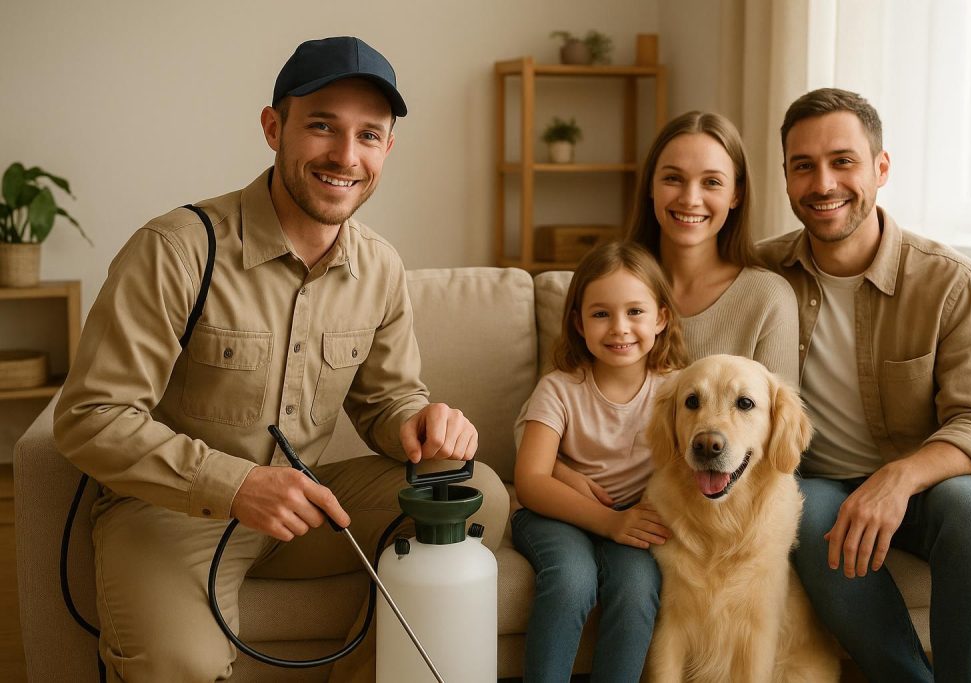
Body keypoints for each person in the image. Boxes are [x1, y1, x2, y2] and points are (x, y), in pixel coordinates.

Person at [52, 36, 508, 682]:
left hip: (304, 512)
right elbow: (90, 417)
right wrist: (234, 485)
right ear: (274, 128)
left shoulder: (379, 266)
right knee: (181, 664)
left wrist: (420, 421)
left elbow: (387, 401)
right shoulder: (176, 250)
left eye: (368, 135)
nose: (345, 156)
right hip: (171, 514)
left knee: (478, 494)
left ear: (388, 148)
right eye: (322, 126)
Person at [759, 87, 971, 682]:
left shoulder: (948, 281)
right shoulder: (762, 275)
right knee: (803, 507)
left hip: (929, 487)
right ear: (786, 177)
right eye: (804, 166)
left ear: (881, 167)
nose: (823, 183)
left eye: (842, 161)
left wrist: (897, 479)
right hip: (822, 481)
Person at [512, 241, 686, 683]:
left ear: (662, 318)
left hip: (632, 521)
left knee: (637, 588)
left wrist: (627, 523)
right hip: (555, 514)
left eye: (635, 312)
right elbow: (531, 479)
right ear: (578, 322)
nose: (619, 328)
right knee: (572, 581)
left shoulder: (676, 392)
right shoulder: (560, 388)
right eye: (601, 313)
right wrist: (608, 523)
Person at [626, 110, 799, 386]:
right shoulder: (608, 284)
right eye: (673, 178)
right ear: (650, 185)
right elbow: (554, 401)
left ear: (736, 194)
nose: (690, 199)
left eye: (712, 182)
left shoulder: (768, 299)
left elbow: (779, 425)